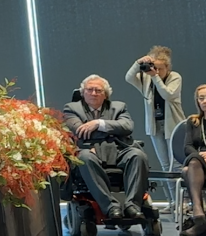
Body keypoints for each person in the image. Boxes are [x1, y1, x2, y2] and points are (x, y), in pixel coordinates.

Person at [63, 75, 150, 221]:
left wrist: (98, 124)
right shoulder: (71, 108)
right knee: (84, 157)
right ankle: (111, 207)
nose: (93, 93)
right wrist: (112, 129)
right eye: (89, 90)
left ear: (106, 95)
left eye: (98, 90)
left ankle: (132, 205)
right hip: (89, 151)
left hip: (119, 150)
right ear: (83, 92)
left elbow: (127, 127)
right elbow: (79, 131)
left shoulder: (119, 107)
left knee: (137, 155)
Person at [124, 46, 184, 171]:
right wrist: (138, 63)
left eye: (160, 69)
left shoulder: (174, 77)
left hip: (172, 125)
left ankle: (179, 191)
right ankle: (171, 192)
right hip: (155, 126)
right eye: (153, 67)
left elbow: (167, 95)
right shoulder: (146, 79)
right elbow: (129, 78)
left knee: (176, 165)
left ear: (167, 67)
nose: (156, 71)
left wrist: (155, 77)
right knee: (165, 165)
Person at [180, 84, 206, 235]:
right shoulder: (194, 122)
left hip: (196, 169)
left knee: (186, 170)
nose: (204, 101)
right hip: (200, 164)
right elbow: (187, 147)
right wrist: (201, 155)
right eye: (201, 98)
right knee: (194, 161)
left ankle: (199, 218)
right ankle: (199, 215)